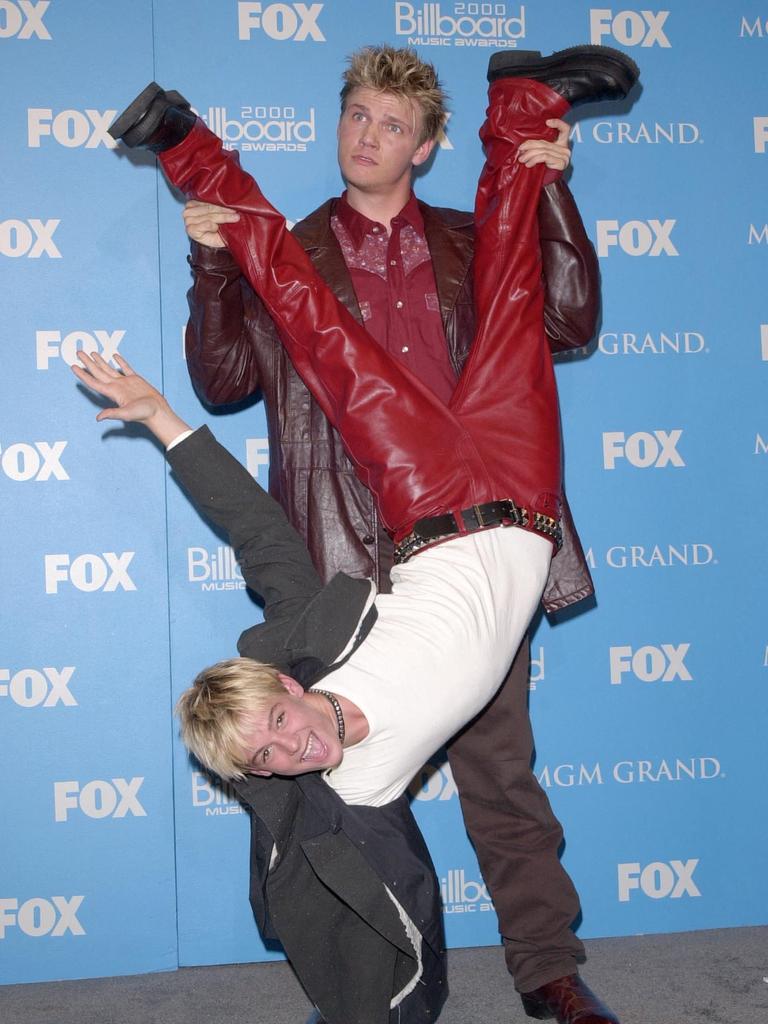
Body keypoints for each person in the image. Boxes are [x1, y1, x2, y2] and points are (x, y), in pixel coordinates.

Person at [102, 46, 637, 1024]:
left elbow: (568, 312)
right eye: (356, 116)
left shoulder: (464, 237)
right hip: (418, 510)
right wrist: (216, 257)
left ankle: (549, 969)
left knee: (503, 773)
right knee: (308, 313)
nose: (368, 135)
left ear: (425, 147)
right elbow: (225, 380)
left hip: (428, 487)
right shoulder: (301, 238)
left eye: (392, 124)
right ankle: (199, 147)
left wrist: (549, 183)